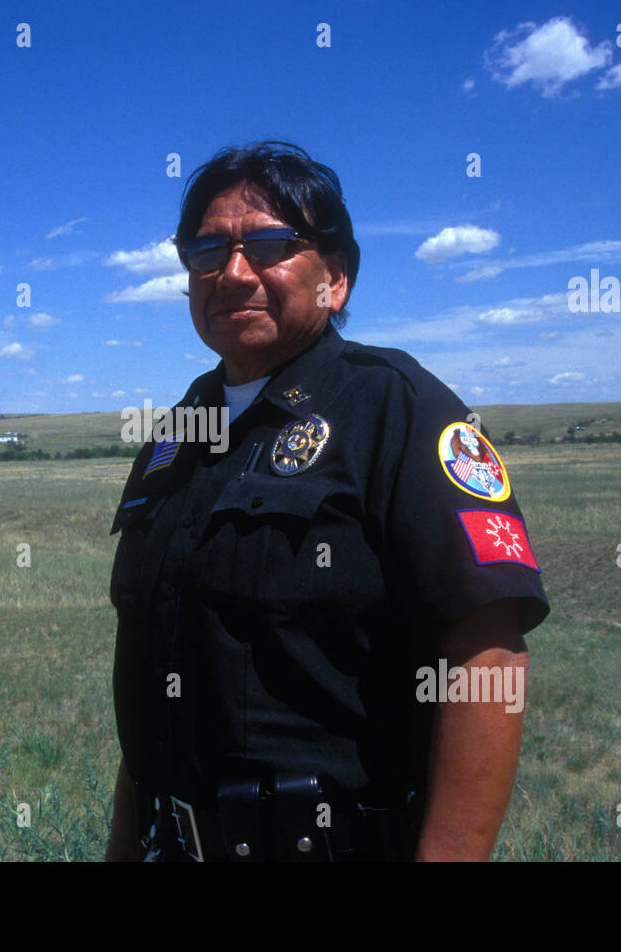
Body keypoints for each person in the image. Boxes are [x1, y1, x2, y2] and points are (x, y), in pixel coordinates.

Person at [105, 141, 549, 862]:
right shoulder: (178, 433)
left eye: (269, 246)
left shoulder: (398, 410)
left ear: (335, 278)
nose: (232, 273)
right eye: (207, 251)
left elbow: (488, 655)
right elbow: (154, 667)